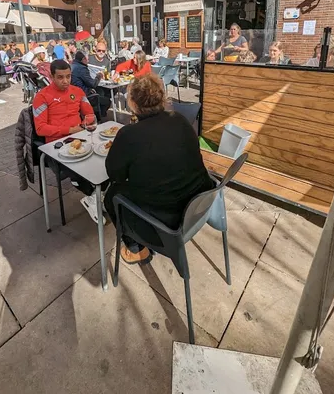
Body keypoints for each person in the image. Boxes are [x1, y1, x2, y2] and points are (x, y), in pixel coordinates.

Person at [104, 73, 214, 265]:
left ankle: (137, 249)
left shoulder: (129, 134)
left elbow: (115, 175)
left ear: (132, 103)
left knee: (111, 195)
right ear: (162, 98)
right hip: (197, 205)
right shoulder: (179, 120)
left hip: (166, 221)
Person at [32, 59, 99, 214]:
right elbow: (41, 129)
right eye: (60, 77)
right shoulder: (42, 97)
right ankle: (93, 196)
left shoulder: (78, 92)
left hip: (80, 137)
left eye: (68, 76)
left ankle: (97, 196)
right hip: (56, 146)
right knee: (77, 167)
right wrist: (70, 130)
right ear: (52, 76)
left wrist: (85, 122)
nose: (65, 81)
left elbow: (89, 113)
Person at [71, 51, 110, 118]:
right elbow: (93, 84)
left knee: (100, 91)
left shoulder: (72, 65)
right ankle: (98, 118)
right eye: (87, 59)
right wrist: (99, 75)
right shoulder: (81, 68)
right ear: (83, 59)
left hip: (74, 94)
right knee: (107, 101)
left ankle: (97, 114)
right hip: (83, 95)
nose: (88, 61)